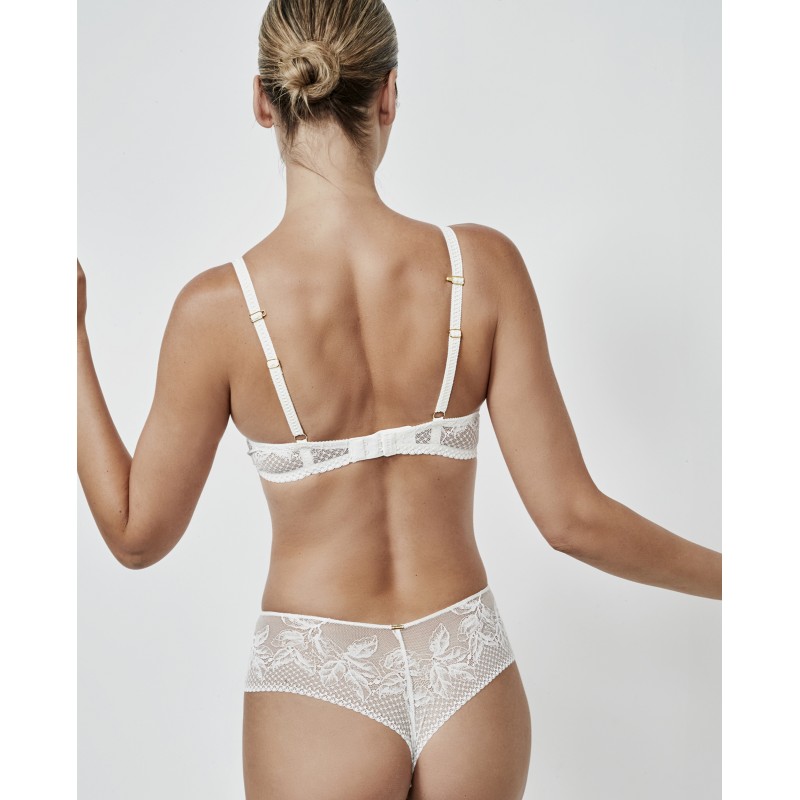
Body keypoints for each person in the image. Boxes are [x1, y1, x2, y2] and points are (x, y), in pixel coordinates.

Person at [77, 1, 722, 797]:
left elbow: (136, 535)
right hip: (468, 668)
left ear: (263, 101)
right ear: (388, 95)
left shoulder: (218, 311)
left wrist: (61, 336)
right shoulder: (482, 269)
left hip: (316, 677)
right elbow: (571, 518)